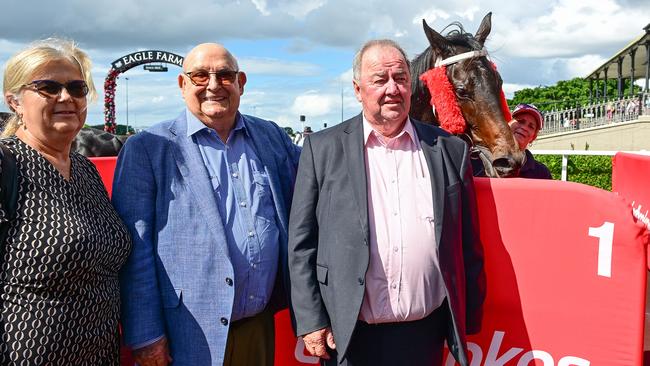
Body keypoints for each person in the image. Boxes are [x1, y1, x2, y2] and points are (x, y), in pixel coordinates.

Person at [288, 39, 486, 366]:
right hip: (348, 334)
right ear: (357, 89)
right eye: (380, 79)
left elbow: (468, 241)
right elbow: (301, 243)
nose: (393, 88)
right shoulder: (321, 149)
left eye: (401, 78)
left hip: (425, 334)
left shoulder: (449, 149)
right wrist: (311, 320)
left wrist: (469, 317)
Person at [112, 43, 300, 366]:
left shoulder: (271, 136)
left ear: (241, 82)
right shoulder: (147, 149)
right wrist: (146, 336)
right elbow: (135, 252)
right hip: (187, 336)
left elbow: (317, 186)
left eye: (224, 75)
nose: (213, 85)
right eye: (200, 75)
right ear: (182, 84)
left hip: (259, 327)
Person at [0, 38, 132, 364]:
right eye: (48, 87)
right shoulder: (6, 163)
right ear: (14, 101)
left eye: (77, 88)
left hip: (100, 355)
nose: (66, 97)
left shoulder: (85, 170)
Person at [509, 104, 552, 179]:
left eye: (531, 127)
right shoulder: (483, 159)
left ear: (533, 137)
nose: (524, 127)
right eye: (520, 121)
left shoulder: (542, 174)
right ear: (508, 124)